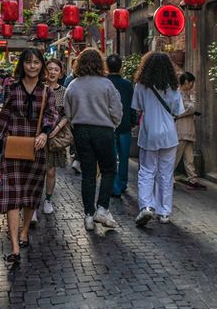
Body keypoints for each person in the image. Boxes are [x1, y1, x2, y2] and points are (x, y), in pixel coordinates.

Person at [0, 48, 59, 266]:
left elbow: (51, 115)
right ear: (22, 65)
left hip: (35, 149)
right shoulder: (13, 88)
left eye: (36, 62)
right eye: (28, 62)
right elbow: (4, 116)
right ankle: (15, 248)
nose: (32, 66)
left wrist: (45, 134)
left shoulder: (47, 92)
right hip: (13, 148)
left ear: (42, 66)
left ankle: (25, 231)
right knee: (12, 196)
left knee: (30, 195)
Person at [65, 48, 124, 231]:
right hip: (103, 130)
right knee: (108, 170)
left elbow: (68, 112)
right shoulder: (106, 85)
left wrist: (76, 125)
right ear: (100, 63)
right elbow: (117, 111)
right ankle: (102, 207)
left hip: (81, 131)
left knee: (88, 175)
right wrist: (112, 124)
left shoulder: (73, 85)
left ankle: (88, 215)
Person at [131, 51, 183, 226]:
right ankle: (164, 212)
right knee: (166, 174)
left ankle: (147, 206)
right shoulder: (174, 87)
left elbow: (137, 108)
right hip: (169, 134)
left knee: (146, 171)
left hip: (149, 133)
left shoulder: (141, 86)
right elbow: (178, 111)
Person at [39, 57, 70, 220]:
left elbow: (67, 115)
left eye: (55, 70)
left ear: (60, 73)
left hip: (54, 137)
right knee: (36, 171)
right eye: (50, 69)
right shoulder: (39, 88)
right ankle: (33, 203)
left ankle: (48, 200)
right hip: (37, 136)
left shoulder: (64, 92)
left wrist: (56, 128)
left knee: (51, 171)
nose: (52, 72)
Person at [106, 54, 135, 201]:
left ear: (107, 67)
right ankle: (122, 183)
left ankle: (114, 185)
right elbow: (132, 106)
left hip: (108, 125)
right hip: (125, 124)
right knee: (124, 156)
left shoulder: (104, 83)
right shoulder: (128, 84)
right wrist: (133, 121)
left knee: (111, 156)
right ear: (121, 67)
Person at [173, 71, 203, 189]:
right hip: (182, 130)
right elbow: (191, 108)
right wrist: (193, 98)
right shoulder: (179, 94)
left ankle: (193, 179)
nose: (192, 86)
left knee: (189, 158)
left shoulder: (183, 94)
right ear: (186, 82)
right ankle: (168, 179)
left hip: (187, 131)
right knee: (176, 157)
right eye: (191, 83)